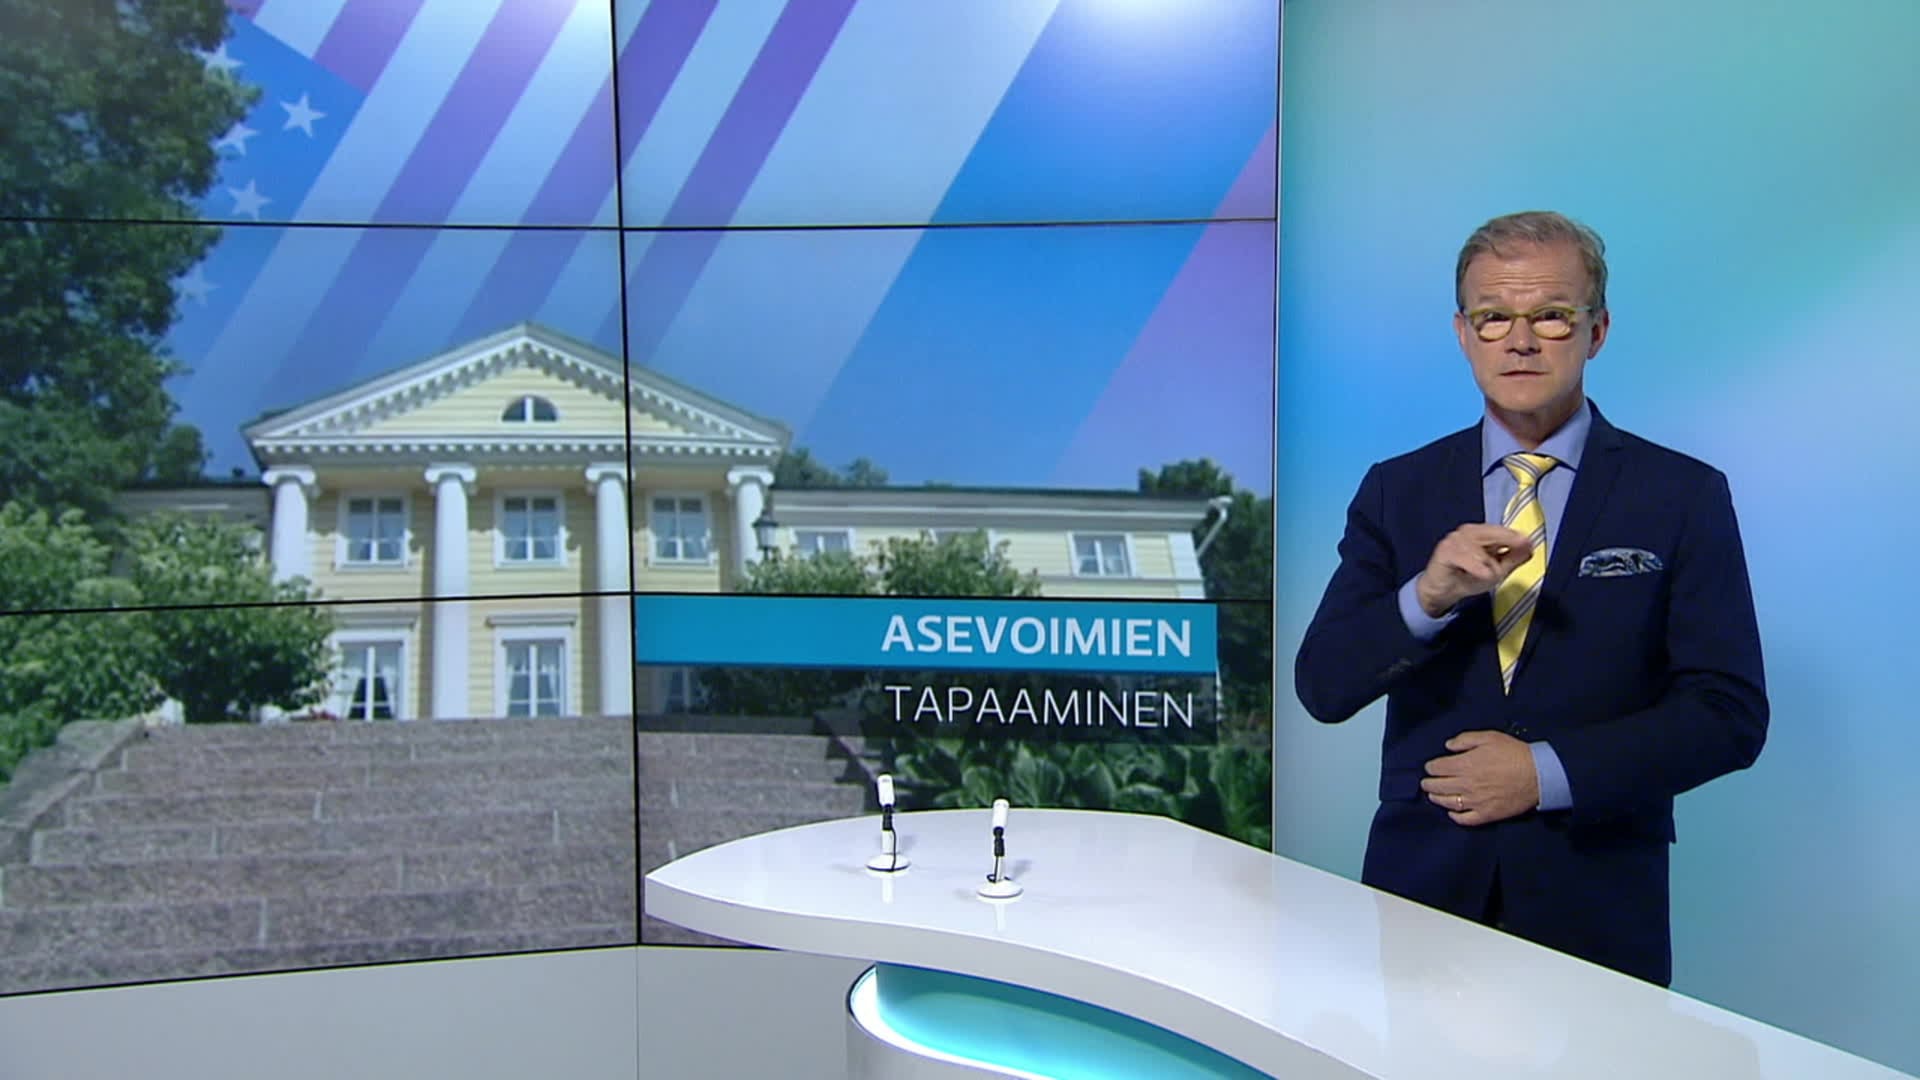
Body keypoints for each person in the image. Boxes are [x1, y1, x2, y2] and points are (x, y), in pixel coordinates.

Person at [1292, 210, 1768, 987]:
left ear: (1597, 330)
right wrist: (1428, 596)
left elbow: (1728, 712)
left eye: (1550, 315)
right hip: (1422, 902)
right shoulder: (1397, 490)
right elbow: (1323, 686)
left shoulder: (1682, 495)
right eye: (1493, 317)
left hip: (1599, 905)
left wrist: (1544, 773)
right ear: (1462, 333)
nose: (1519, 341)